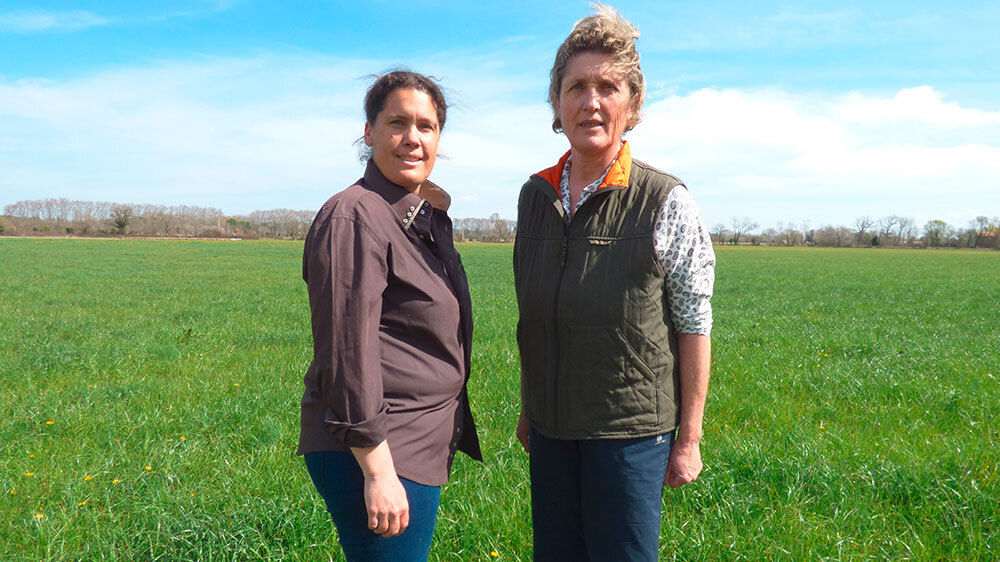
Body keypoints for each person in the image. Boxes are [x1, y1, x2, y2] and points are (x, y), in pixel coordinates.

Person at [513, 5, 715, 561]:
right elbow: (535, 317)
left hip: (631, 437)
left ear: (633, 102)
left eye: (608, 87)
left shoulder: (665, 199)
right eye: (576, 87)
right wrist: (531, 408)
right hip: (552, 433)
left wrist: (689, 437)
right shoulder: (534, 197)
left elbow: (694, 322)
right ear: (557, 102)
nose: (591, 102)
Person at [298, 70, 481, 561]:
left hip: (411, 443)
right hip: (376, 451)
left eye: (427, 126)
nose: (413, 138)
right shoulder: (354, 216)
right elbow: (346, 353)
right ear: (369, 132)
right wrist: (378, 470)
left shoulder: (412, 217)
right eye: (398, 123)